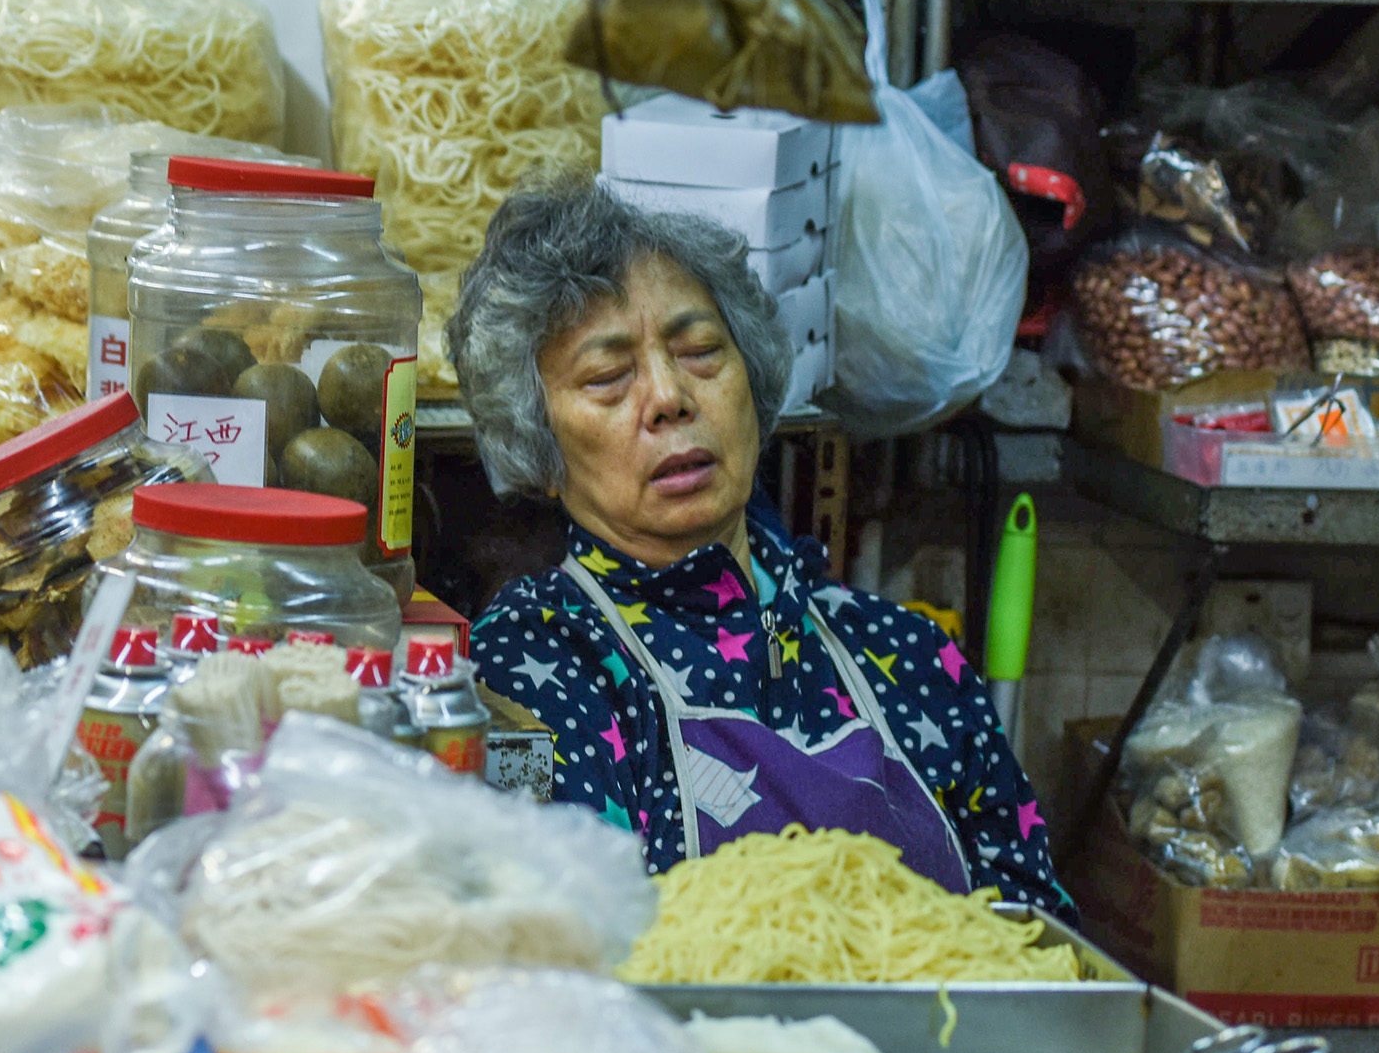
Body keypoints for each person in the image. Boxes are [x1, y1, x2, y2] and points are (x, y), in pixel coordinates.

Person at [452, 181, 1066, 909]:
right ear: (540, 446)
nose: (669, 397)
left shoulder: (907, 655)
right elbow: (569, 946)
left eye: (701, 351)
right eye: (608, 377)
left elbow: (1037, 939)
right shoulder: (536, 661)